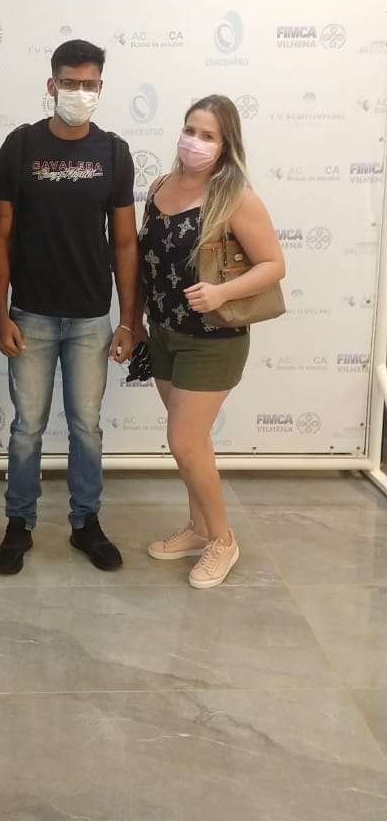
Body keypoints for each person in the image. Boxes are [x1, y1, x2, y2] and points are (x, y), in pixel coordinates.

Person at [0, 39, 138, 575]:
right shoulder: (21, 146)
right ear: (51, 85)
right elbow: (1, 235)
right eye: (69, 83)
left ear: (101, 87)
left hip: (91, 316)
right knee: (26, 427)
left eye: (89, 84)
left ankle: (86, 522)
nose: (79, 92)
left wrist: (129, 320)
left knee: (86, 427)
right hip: (30, 312)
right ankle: (19, 523)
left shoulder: (114, 153)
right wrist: (1, 313)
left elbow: (125, 242)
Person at [135, 94, 285, 588]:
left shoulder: (235, 197)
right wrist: (134, 322)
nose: (194, 142)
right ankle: (199, 528)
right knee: (192, 445)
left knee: (184, 441)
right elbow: (147, 262)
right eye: (190, 130)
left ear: (225, 145)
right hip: (164, 333)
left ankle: (222, 539)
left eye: (207, 136)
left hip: (213, 339)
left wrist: (222, 291)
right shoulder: (159, 187)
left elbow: (273, 265)